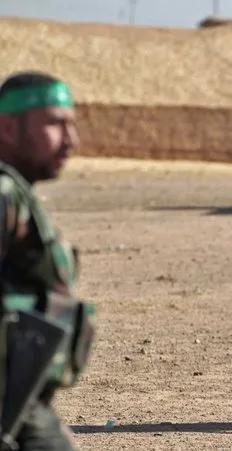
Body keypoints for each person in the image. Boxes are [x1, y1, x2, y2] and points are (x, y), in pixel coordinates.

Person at [0, 71, 96, 450]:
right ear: (7, 128)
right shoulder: (3, 193)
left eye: (72, 125)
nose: (71, 140)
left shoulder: (14, 192)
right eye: (55, 124)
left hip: (19, 404)